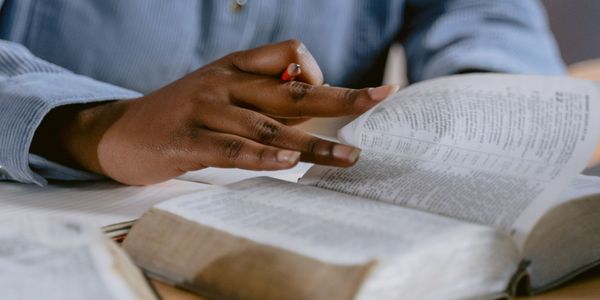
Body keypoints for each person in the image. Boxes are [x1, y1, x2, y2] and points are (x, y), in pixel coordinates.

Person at [0, 0, 564, 186]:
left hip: (304, 208)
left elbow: (485, 15)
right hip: (55, 201)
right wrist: (89, 123)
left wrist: (479, 109)